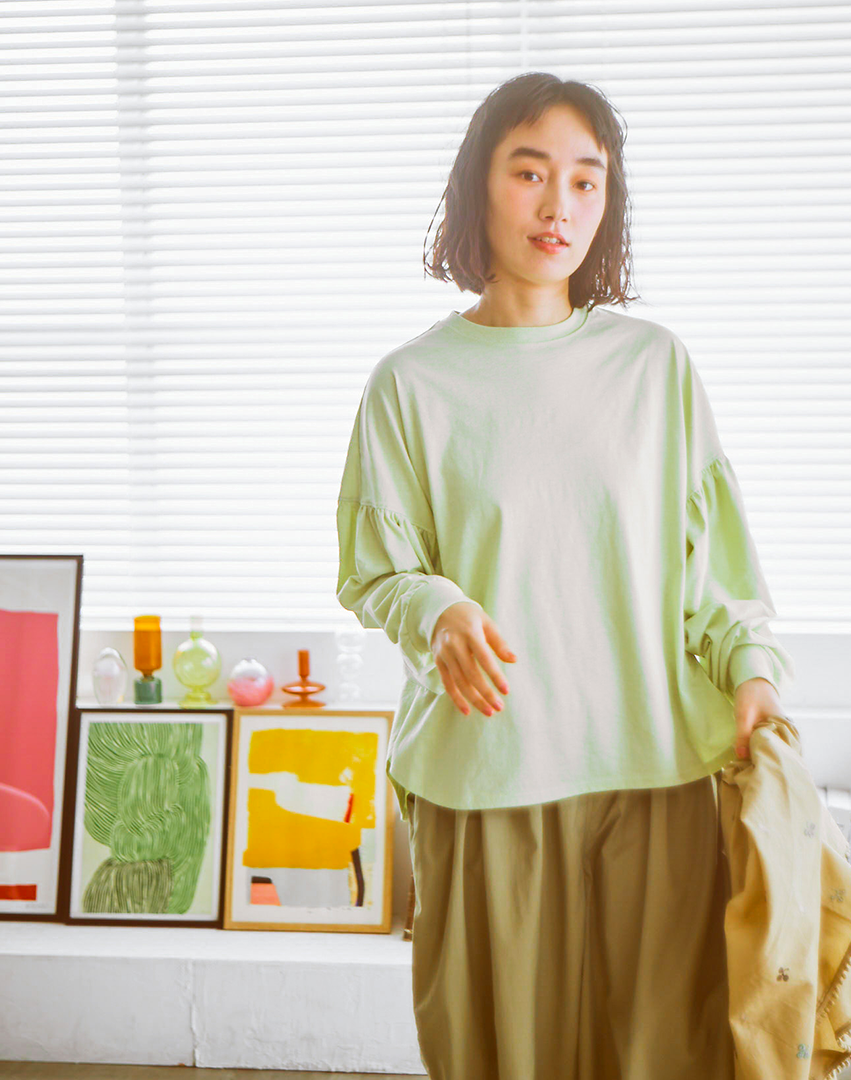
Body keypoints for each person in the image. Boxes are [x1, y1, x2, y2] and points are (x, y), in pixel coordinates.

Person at [336, 70, 795, 1080]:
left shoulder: (655, 367)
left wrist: (753, 669)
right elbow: (380, 572)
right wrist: (439, 608)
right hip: (488, 773)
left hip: (657, 770)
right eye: (530, 172)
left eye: (587, 180)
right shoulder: (410, 385)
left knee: (664, 1058)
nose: (560, 206)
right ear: (477, 185)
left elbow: (712, 572)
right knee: (504, 1057)